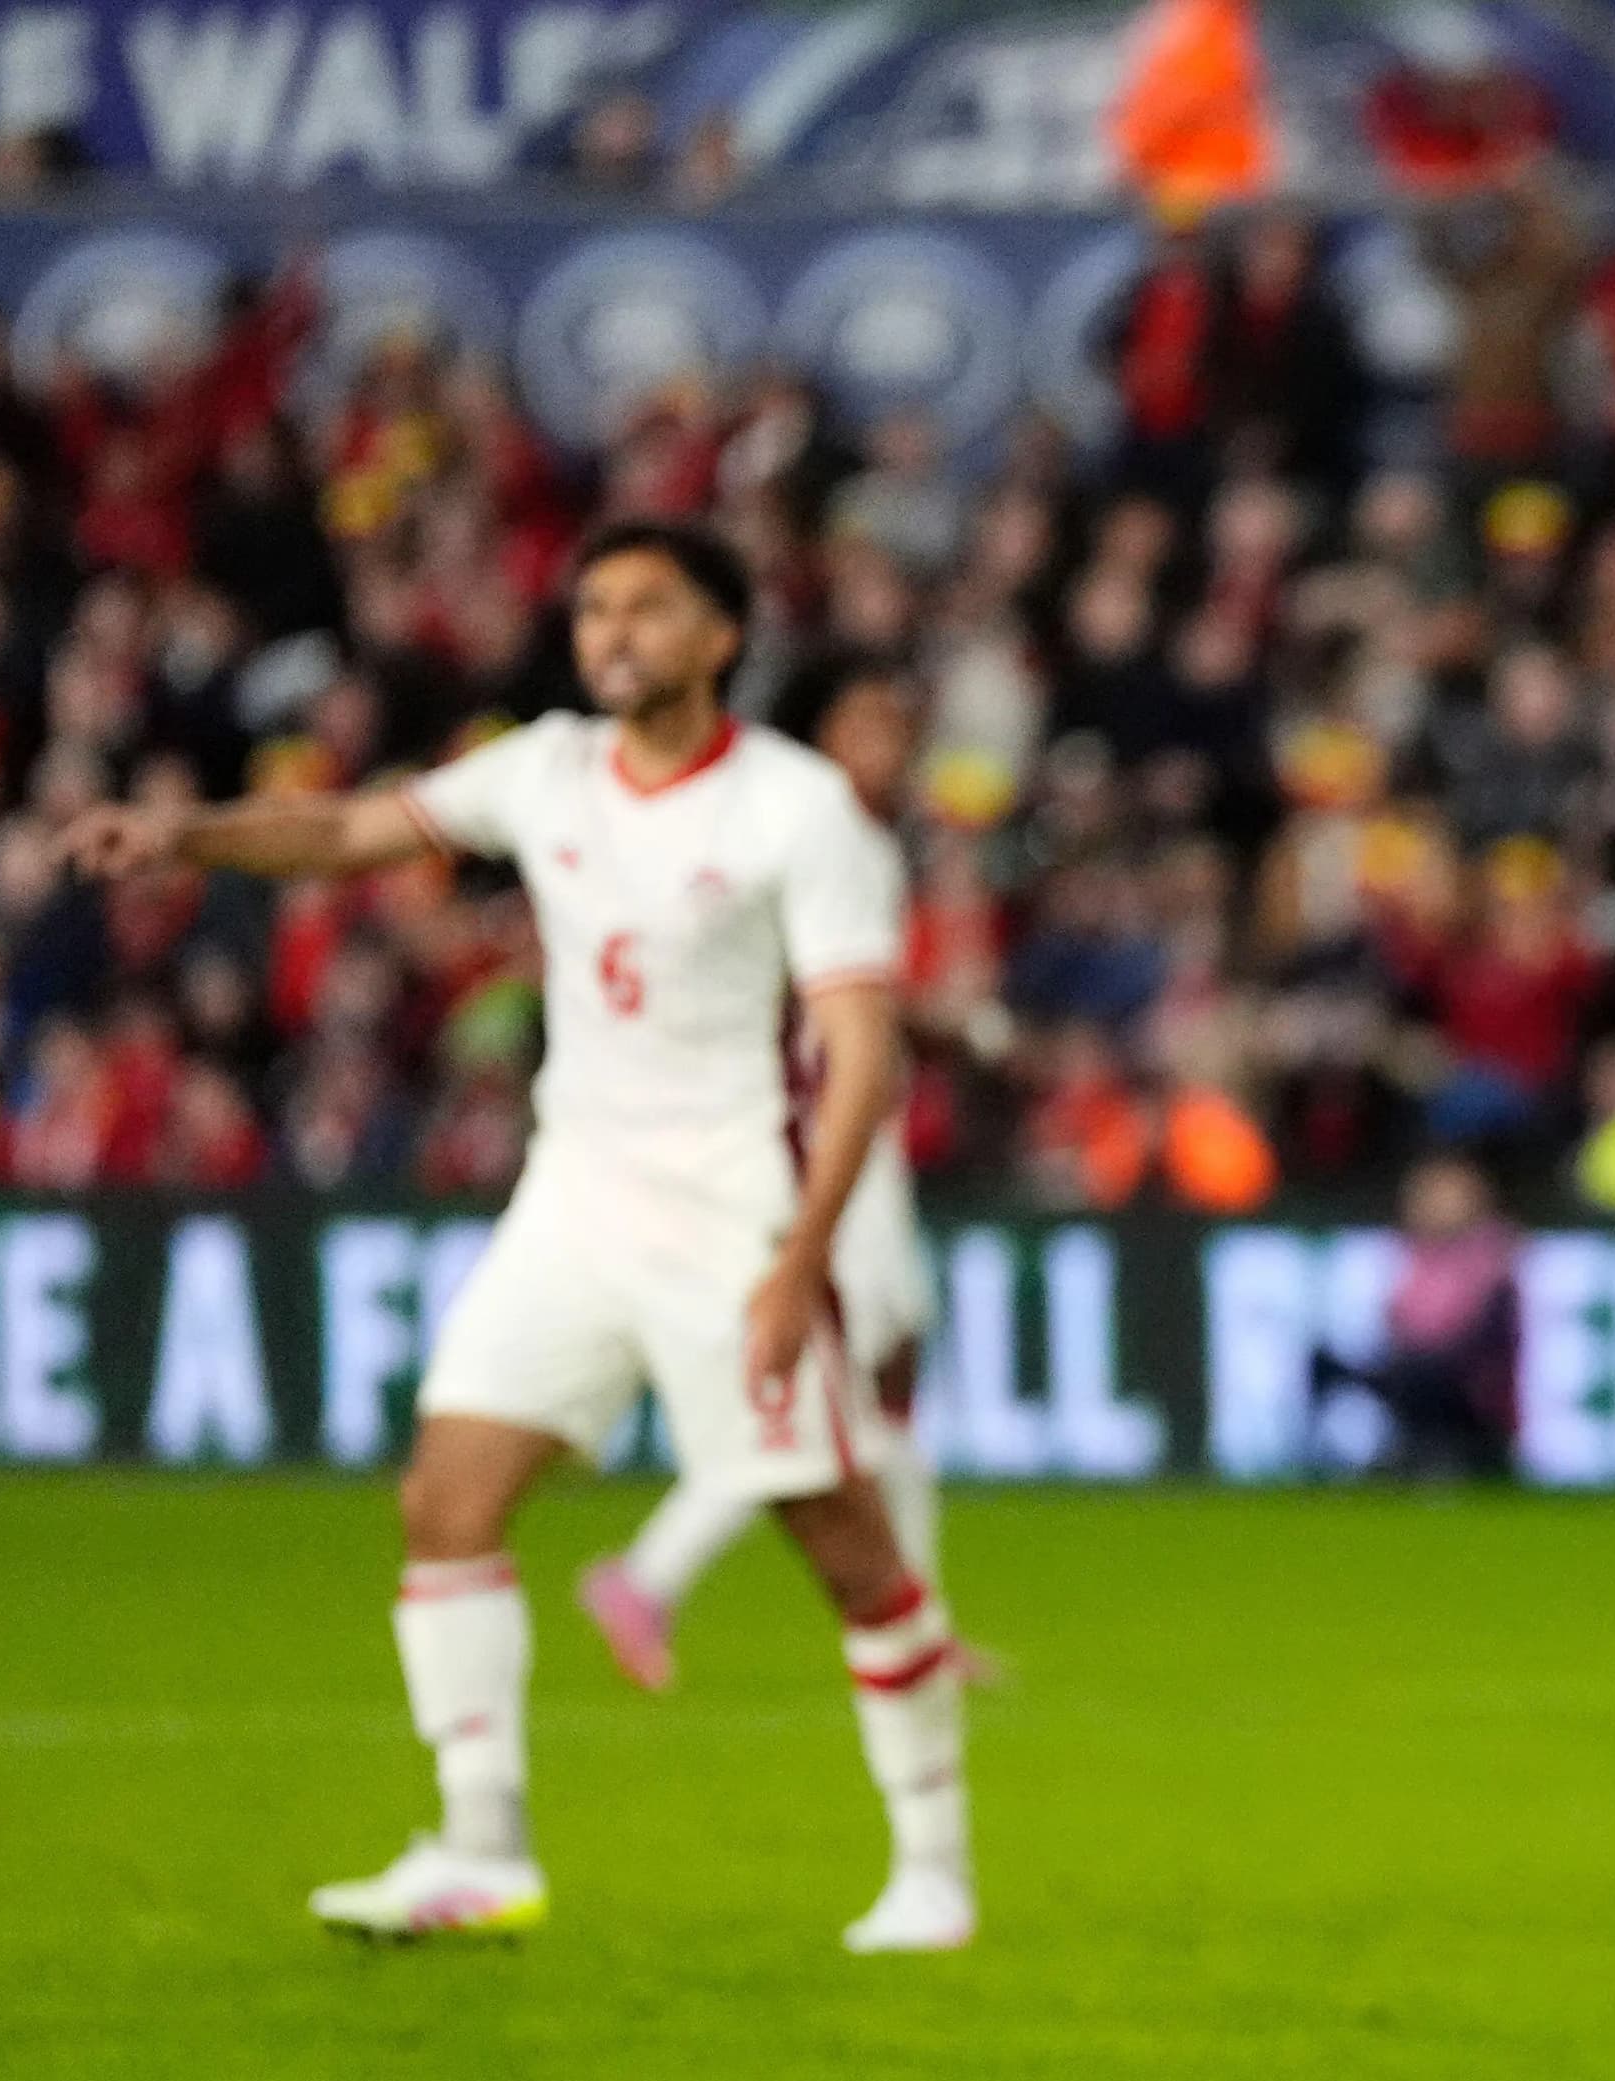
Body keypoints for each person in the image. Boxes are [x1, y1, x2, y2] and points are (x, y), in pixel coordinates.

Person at [58, 523, 975, 1953]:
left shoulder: (798, 812)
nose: (613, 633)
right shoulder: (545, 769)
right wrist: (185, 836)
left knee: (844, 1541)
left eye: (649, 608)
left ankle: (935, 1868)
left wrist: (802, 1258)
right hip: (574, 1196)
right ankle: (480, 1847)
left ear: (721, 637)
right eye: (595, 607)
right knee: (447, 1500)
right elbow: (348, 831)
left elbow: (865, 1053)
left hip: (733, 1212)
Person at [574, 654, 960, 1696]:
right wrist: (946, 1022)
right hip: (820, 1145)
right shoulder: (814, 837)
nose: (889, 743)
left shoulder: (855, 837)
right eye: (864, 721)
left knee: (881, 1387)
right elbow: (822, 1000)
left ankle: (916, 1614)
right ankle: (651, 1575)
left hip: (855, 1141)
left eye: (896, 723)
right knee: (835, 1400)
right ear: (821, 738)